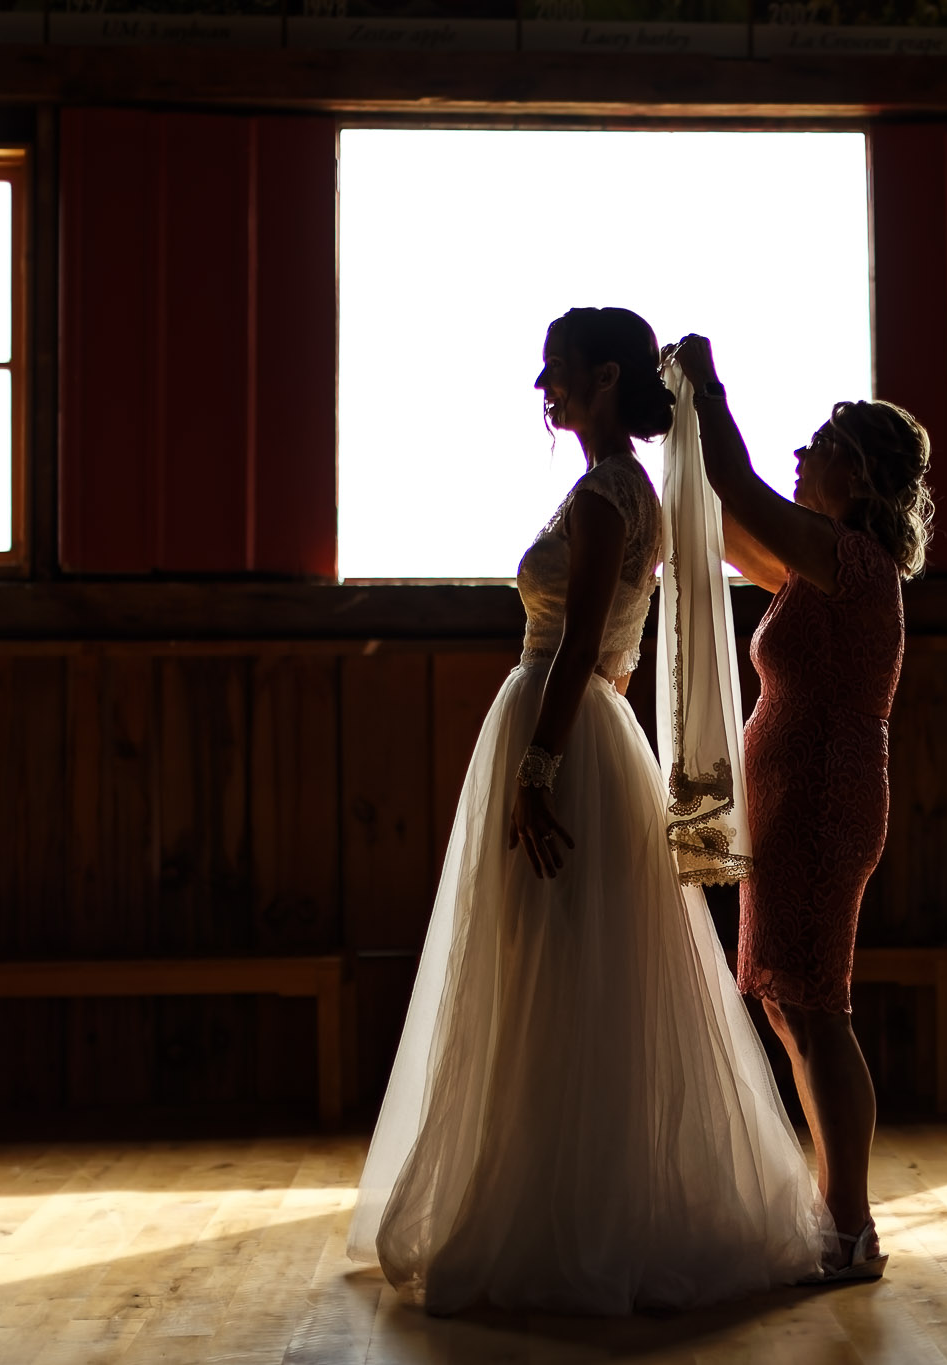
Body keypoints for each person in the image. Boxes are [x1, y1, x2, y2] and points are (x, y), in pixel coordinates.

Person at [347, 308, 824, 1315]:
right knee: (550, 962)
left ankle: (571, 1216)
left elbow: (577, 648)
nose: (542, 387)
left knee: (561, 959)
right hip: (580, 729)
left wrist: (535, 769)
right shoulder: (614, 490)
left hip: (567, 736)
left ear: (605, 377)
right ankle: (550, 1191)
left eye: (556, 370)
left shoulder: (611, 494)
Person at [667, 333, 932, 1284]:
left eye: (816, 443)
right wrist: (685, 449)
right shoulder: (814, 562)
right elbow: (729, 527)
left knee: (818, 1005)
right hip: (794, 789)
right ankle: (836, 1211)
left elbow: (741, 492)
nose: (799, 454)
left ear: (854, 474)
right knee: (790, 1000)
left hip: (821, 793)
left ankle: (851, 1223)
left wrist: (706, 389)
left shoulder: (851, 560)